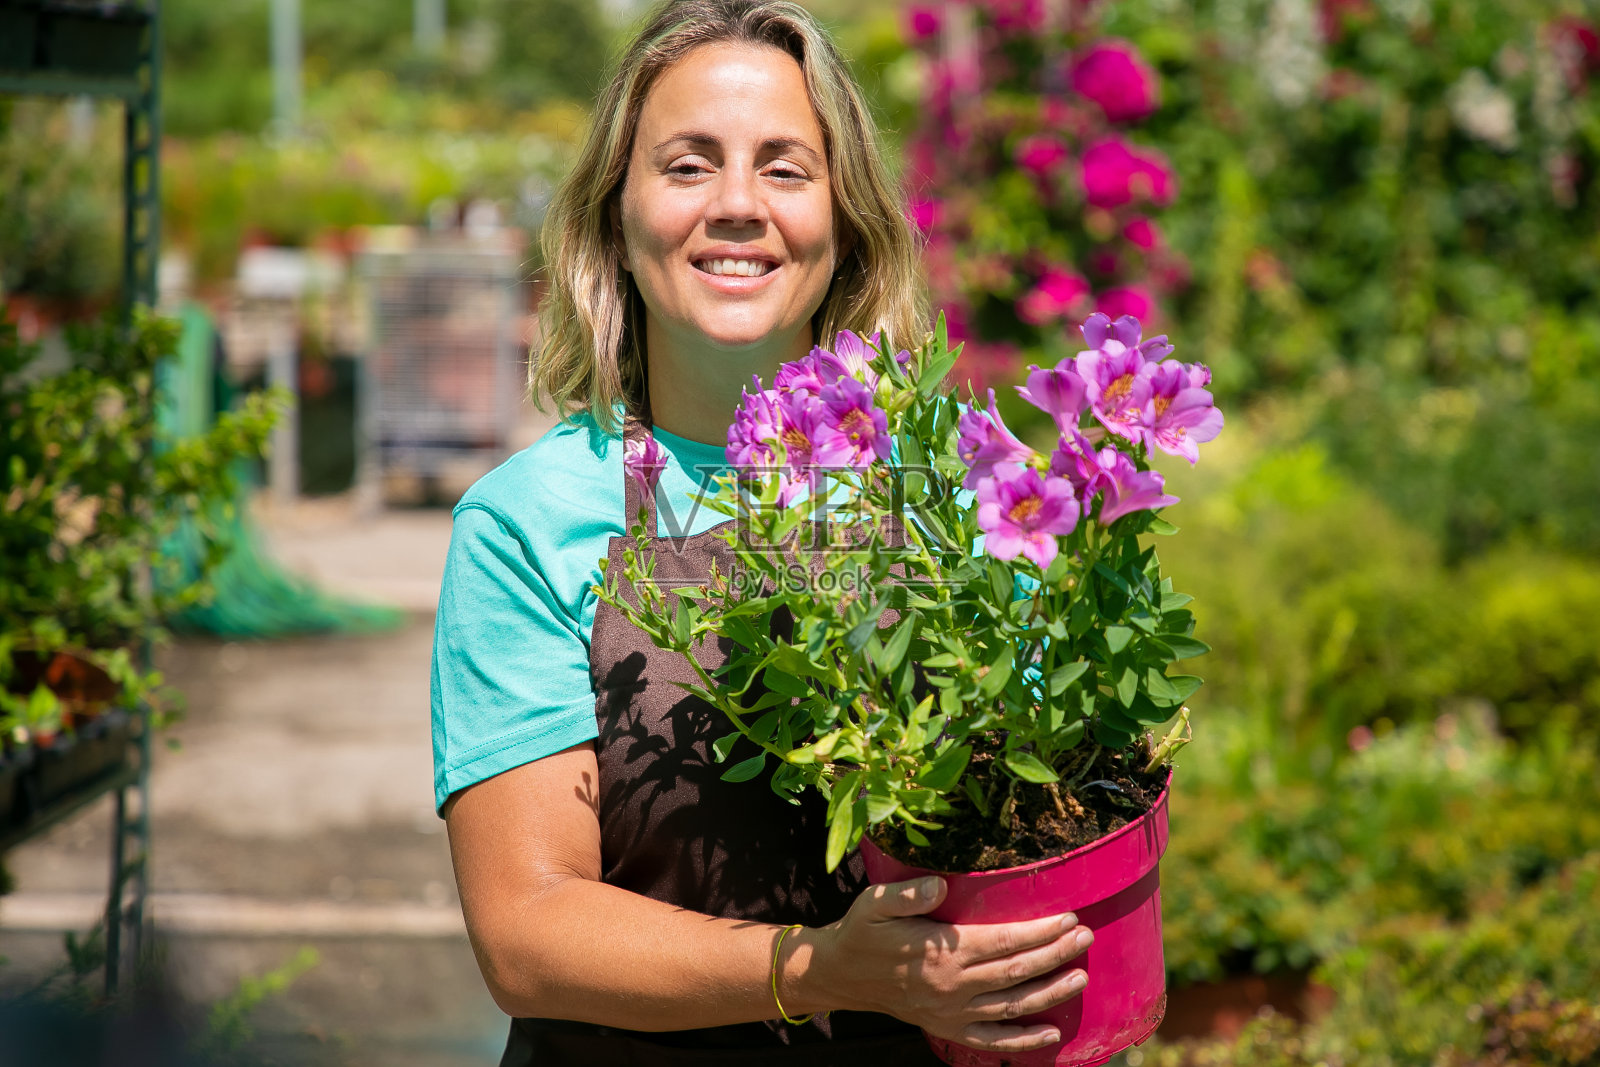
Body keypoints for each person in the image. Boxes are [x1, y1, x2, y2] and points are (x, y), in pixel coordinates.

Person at [431, 1, 1095, 1063]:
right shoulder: (530, 518)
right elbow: (528, 929)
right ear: (616, 216)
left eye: (785, 169)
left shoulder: (954, 482)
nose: (737, 205)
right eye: (688, 166)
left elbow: (1059, 817)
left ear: (846, 222)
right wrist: (813, 970)